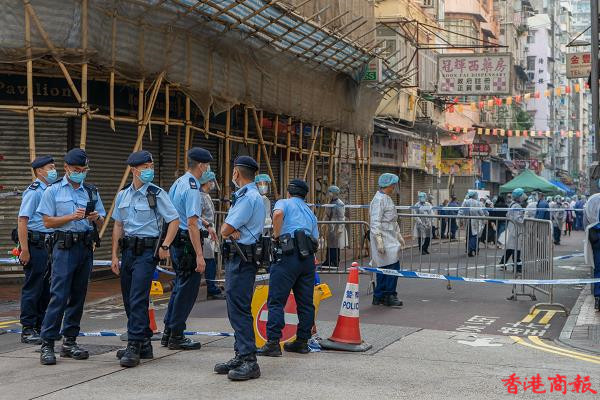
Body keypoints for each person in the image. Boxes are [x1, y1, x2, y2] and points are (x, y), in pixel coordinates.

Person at [36, 148, 106, 365]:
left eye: (84, 170)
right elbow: (47, 222)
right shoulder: (53, 191)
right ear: (66, 168)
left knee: (78, 296)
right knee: (59, 295)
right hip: (64, 248)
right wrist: (70, 217)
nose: (80, 173)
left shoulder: (91, 191)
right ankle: (47, 344)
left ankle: (70, 341)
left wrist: (95, 218)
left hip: (84, 247)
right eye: (77, 169)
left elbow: (102, 221)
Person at [110, 151, 180, 367]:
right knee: (128, 299)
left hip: (147, 253)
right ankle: (144, 343)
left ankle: (133, 344)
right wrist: (114, 255)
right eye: (145, 167)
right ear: (134, 170)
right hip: (128, 252)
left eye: (151, 166)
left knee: (138, 297)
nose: (149, 170)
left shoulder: (156, 194)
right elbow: (118, 225)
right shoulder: (123, 195)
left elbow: (174, 220)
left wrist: (165, 245)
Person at [214, 156, 265, 381]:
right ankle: (240, 355)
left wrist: (230, 230)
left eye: (233, 172)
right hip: (241, 256)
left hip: (242, 258)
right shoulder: (250, 195)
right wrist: (231, 230)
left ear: (236, 173)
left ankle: (249, 360)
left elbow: (225, 229)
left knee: (239, 309)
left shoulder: (247, 197)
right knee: (236, 307)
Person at [257, 179, 319, 357]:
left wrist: (276, 236)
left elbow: (277, 215)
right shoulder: (310, 212)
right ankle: (302, 341)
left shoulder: (284, 202)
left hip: (287, 254)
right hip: (307, 258)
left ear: (289, 192)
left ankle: (273, 342)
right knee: (305, 303)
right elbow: (315, 239)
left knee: (276, 300)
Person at [162, 147, 215, 351]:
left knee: (179, 287)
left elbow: (181, 213)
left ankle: (169, 331)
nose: (207, 168)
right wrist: (200, 255)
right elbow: (191, 223)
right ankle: (177, 335)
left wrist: (206, 224)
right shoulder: (193, 187)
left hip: (178, 241)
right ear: (201, 165)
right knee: (187, 290)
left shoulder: (179, 182)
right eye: (207, 165)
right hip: (187, 244)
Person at [16, 155, 57, 345]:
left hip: (49, 244)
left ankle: (42, 325)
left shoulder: (51, 190)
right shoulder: (33, 192)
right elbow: (22, 220)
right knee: (33, 287)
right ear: (39, 171)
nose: (54, 170)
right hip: (35, 244)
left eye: (54, 167)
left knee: (46, 288)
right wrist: (24, 249)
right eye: (50, 167)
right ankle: (28, 328)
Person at [369, 173, 404, 307]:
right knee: (391, 267)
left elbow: (393, 219)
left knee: (384, 267)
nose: (394, 187)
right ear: (388, 185)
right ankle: (389, 294)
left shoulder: (386, 198)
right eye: (393, 184)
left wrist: (398, 234)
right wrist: (378, 239)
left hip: (390, 236)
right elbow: (375, 221)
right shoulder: (379, 200)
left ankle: (379, 295)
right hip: (384, 237)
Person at [199, 170, 226, 300]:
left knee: (211, 260)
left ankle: (212, 286)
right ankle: (211, 289)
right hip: (204, 233)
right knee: (209, 262)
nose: (213, 183)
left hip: (209, 232)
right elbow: (197, 216)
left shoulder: (206, 195)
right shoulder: (200, 197)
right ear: (206, 182)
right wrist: (208, 227)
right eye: (211, 181)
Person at [499, 188, 525, 273]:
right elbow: (517, 218)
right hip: (515, 229)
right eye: (522, 195)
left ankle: (502, 263)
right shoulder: (517, 206)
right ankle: (517, 267)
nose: (523, 197)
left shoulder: (512, 204)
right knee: (516, 248)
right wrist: (524, 221)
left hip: (511, 228)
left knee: (510, 247)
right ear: (519, 196)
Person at [583, 193, 600, 310]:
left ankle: (598, 298)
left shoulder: (592, 200)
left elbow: (585, 223)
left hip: (595, 236)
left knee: (598, 268)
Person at [323, 185, 346, 268]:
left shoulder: (340, 203)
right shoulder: (330, 202)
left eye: (330, 192)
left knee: (335, 244)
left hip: (336, 224)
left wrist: (340, 227)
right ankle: (328, 260)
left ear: (334, 193)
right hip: (330, 225)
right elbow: (327, 214)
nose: (329, 194)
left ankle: (335, 261)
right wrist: (323, 222)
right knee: (329, 243)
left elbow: (341, 217)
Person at [458, 190, 486, 257]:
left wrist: (459, 219)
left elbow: (461, 210)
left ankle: (469, 250)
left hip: (468, 221)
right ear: (475, 196)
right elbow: (481, 212)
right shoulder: (477, 203)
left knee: (469, 236)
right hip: (476, 221)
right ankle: (471, 249)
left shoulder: (466, 202)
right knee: (474, 236)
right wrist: (484, 218)